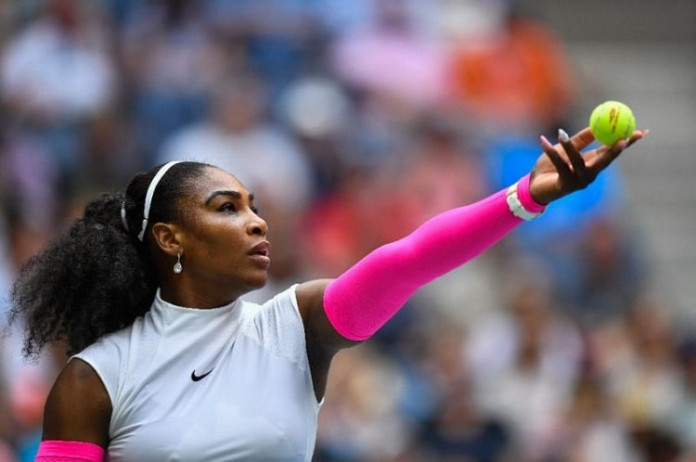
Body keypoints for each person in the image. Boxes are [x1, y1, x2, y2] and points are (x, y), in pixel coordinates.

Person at [9, 127, 646, 461]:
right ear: (172, 238)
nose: (257, 222)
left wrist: (526, 197)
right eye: (227, 209)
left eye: (254, 207)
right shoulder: (94, 378)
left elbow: (408, 261)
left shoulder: (296, 325)